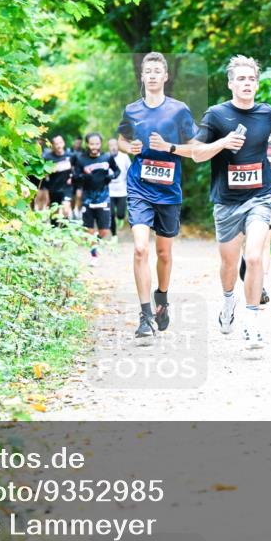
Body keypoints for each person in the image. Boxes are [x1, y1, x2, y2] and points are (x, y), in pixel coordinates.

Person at [155, 55, 271, 350]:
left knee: (254, 257)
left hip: (261, 195)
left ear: (257, 84)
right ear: (231, 83)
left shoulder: (267, 113)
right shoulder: (217, 115)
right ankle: (229, 301)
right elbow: (196, 152)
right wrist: (223, 143)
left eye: (251, 79)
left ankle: (252, 323)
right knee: (229, 264)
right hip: (227, 202)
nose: (247, 84)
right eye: (241, 79)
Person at [117, 52, 198, 340]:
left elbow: (195, 149)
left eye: (157, 71)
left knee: (163, 253)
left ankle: (161, 298)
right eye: (147, 71)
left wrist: (169, 147)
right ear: (142, 77)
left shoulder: (179, 111)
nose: (151, 75)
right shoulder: (132, 110)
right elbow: (121, 140)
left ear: (165, 77)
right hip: (139, 187)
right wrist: (130, 149)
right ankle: (144, 315)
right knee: (140, 248)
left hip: (168, 190)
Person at [238, 129, 271, 304]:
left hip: (267, 195)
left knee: (266, 240)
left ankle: (262, 285)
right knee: (247, 242)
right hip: (241, 195)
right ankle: (246, 262)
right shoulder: (241, 133)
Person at [75, 132, 121, 265]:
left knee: (104, 231)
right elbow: (75, 177)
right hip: (87, 199)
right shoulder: (81, 159)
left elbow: (117, 171)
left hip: (103, 197)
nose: (94, 146)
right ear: (87, 144)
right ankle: (94, 256)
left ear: (101, 144)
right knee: (88, 231)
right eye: (91, 144)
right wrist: (84, 177)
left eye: (97, 143)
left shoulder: (107, 157)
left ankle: (94, 240)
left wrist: (111, 177)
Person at [43, 135, 75, 221]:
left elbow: (75, 169)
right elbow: (44, 175)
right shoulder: (48, 157)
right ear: (52, 145)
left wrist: (72, 177)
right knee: (54, 213)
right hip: (53, 188)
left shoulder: (71, 156)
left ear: (64, 143)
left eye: (60, 143)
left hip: (67, 188)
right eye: (56, 144)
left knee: (66, 208)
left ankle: (65, 229)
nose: (59, 145)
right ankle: (54, 230)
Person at [107, 137, 131, 239]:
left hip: (122, 190)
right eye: (111, 145)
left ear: (118, 146)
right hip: (109, 191)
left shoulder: (124, 157)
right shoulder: (106, 157)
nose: (113, 147)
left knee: (120, 214)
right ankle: (114, 235)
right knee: (111, 214)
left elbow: (130, 171)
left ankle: (120, 218)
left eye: (115, 145)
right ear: (108, 147)